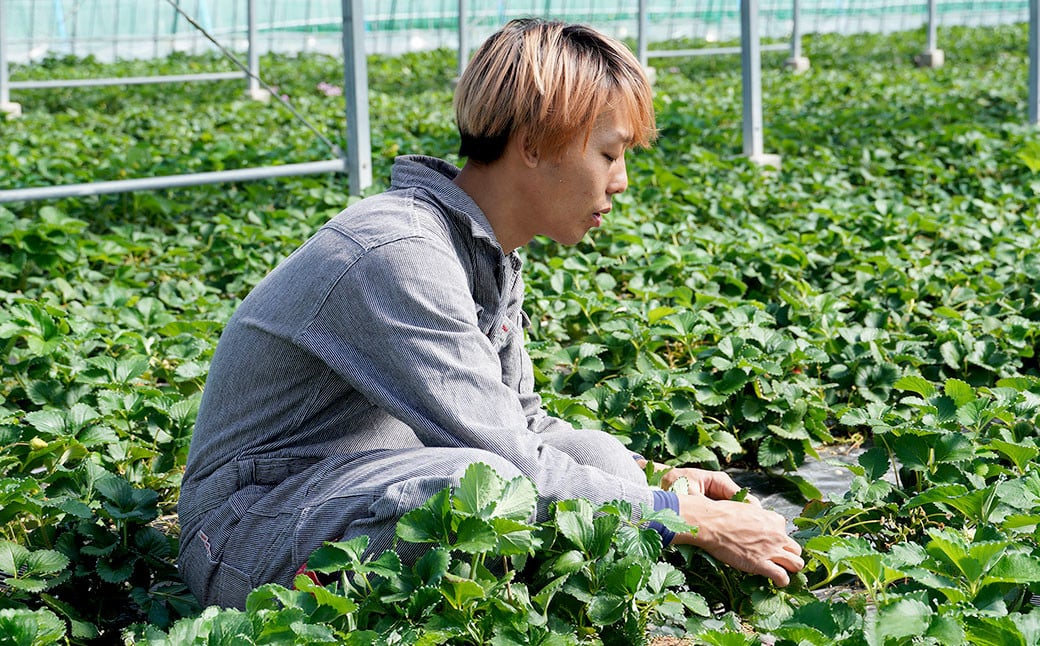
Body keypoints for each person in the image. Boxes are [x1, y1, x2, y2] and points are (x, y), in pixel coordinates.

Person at [176, 17, 804, 610]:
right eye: (610, 155)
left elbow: (524, 426)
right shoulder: (399, 254)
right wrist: (688, 516)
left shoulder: (483, 254)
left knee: (598, 455)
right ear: (534, 145)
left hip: (353, 487)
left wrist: (654, 480)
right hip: (247, 535)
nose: (621, 182)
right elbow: (512, 463)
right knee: (477, 486)